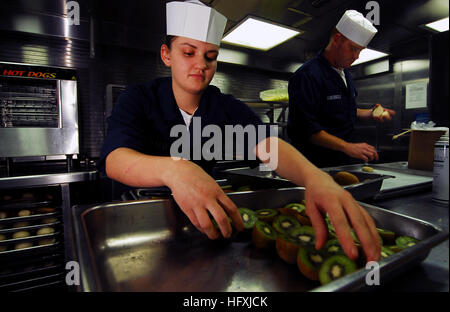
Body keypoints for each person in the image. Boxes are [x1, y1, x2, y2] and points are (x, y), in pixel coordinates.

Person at [99, 1, 380, 262]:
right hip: (142, 225)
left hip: (203, 225)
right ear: (166, 55)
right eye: (188, 52)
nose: (201, 64)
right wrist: (174, 169)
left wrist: (313, 176)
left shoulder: (221, 105)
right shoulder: (139, 98)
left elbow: (267, 144)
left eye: (211, 56)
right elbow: (115, 159)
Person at [288, 10, 396, 168]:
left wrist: (370, 113)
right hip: (315, 165)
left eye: (360, 50)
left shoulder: (344, 74)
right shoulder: (307, 75)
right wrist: (348, 147)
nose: (356, 56)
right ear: (337, 39)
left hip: (342, 163)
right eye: (353, 49)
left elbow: (343, 109)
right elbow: (306, 129)